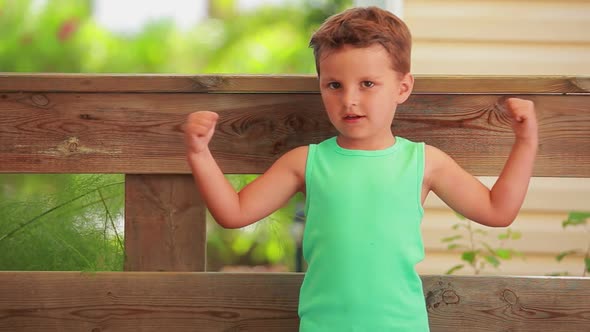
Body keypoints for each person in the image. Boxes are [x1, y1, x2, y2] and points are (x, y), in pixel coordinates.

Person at [183, 6, 537, 332]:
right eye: (334, 85)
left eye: (367, 84)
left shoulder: (424, 162)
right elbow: (234, 212)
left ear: (403, 87)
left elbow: (497, 210)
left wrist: (525, 142)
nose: (349, 99)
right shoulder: (306, 161)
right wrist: (199, 153)